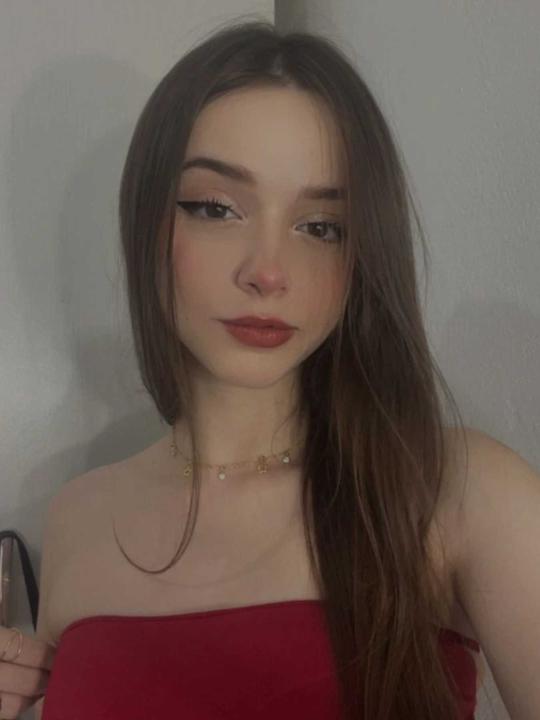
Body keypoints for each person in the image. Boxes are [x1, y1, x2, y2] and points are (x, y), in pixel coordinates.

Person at [2, 18, 539, 720]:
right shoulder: (76, 518)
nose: (269, 272)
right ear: (146, 220)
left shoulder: (457, 492)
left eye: (321, 226)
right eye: (216, 208)